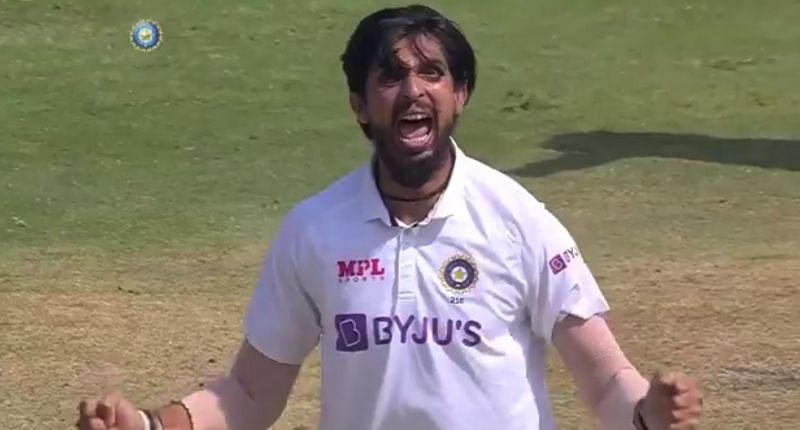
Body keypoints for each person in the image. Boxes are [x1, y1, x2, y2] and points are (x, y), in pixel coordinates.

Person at [77, 4, 703, 430]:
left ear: (460, 96)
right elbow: (247, 395)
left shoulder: (517, 219)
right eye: (392, 76)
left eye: (433, 73)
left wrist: (649, 412)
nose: (414, 90)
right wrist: (153, 425)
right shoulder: (315, 229)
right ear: (359, 104)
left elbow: (603, 382)